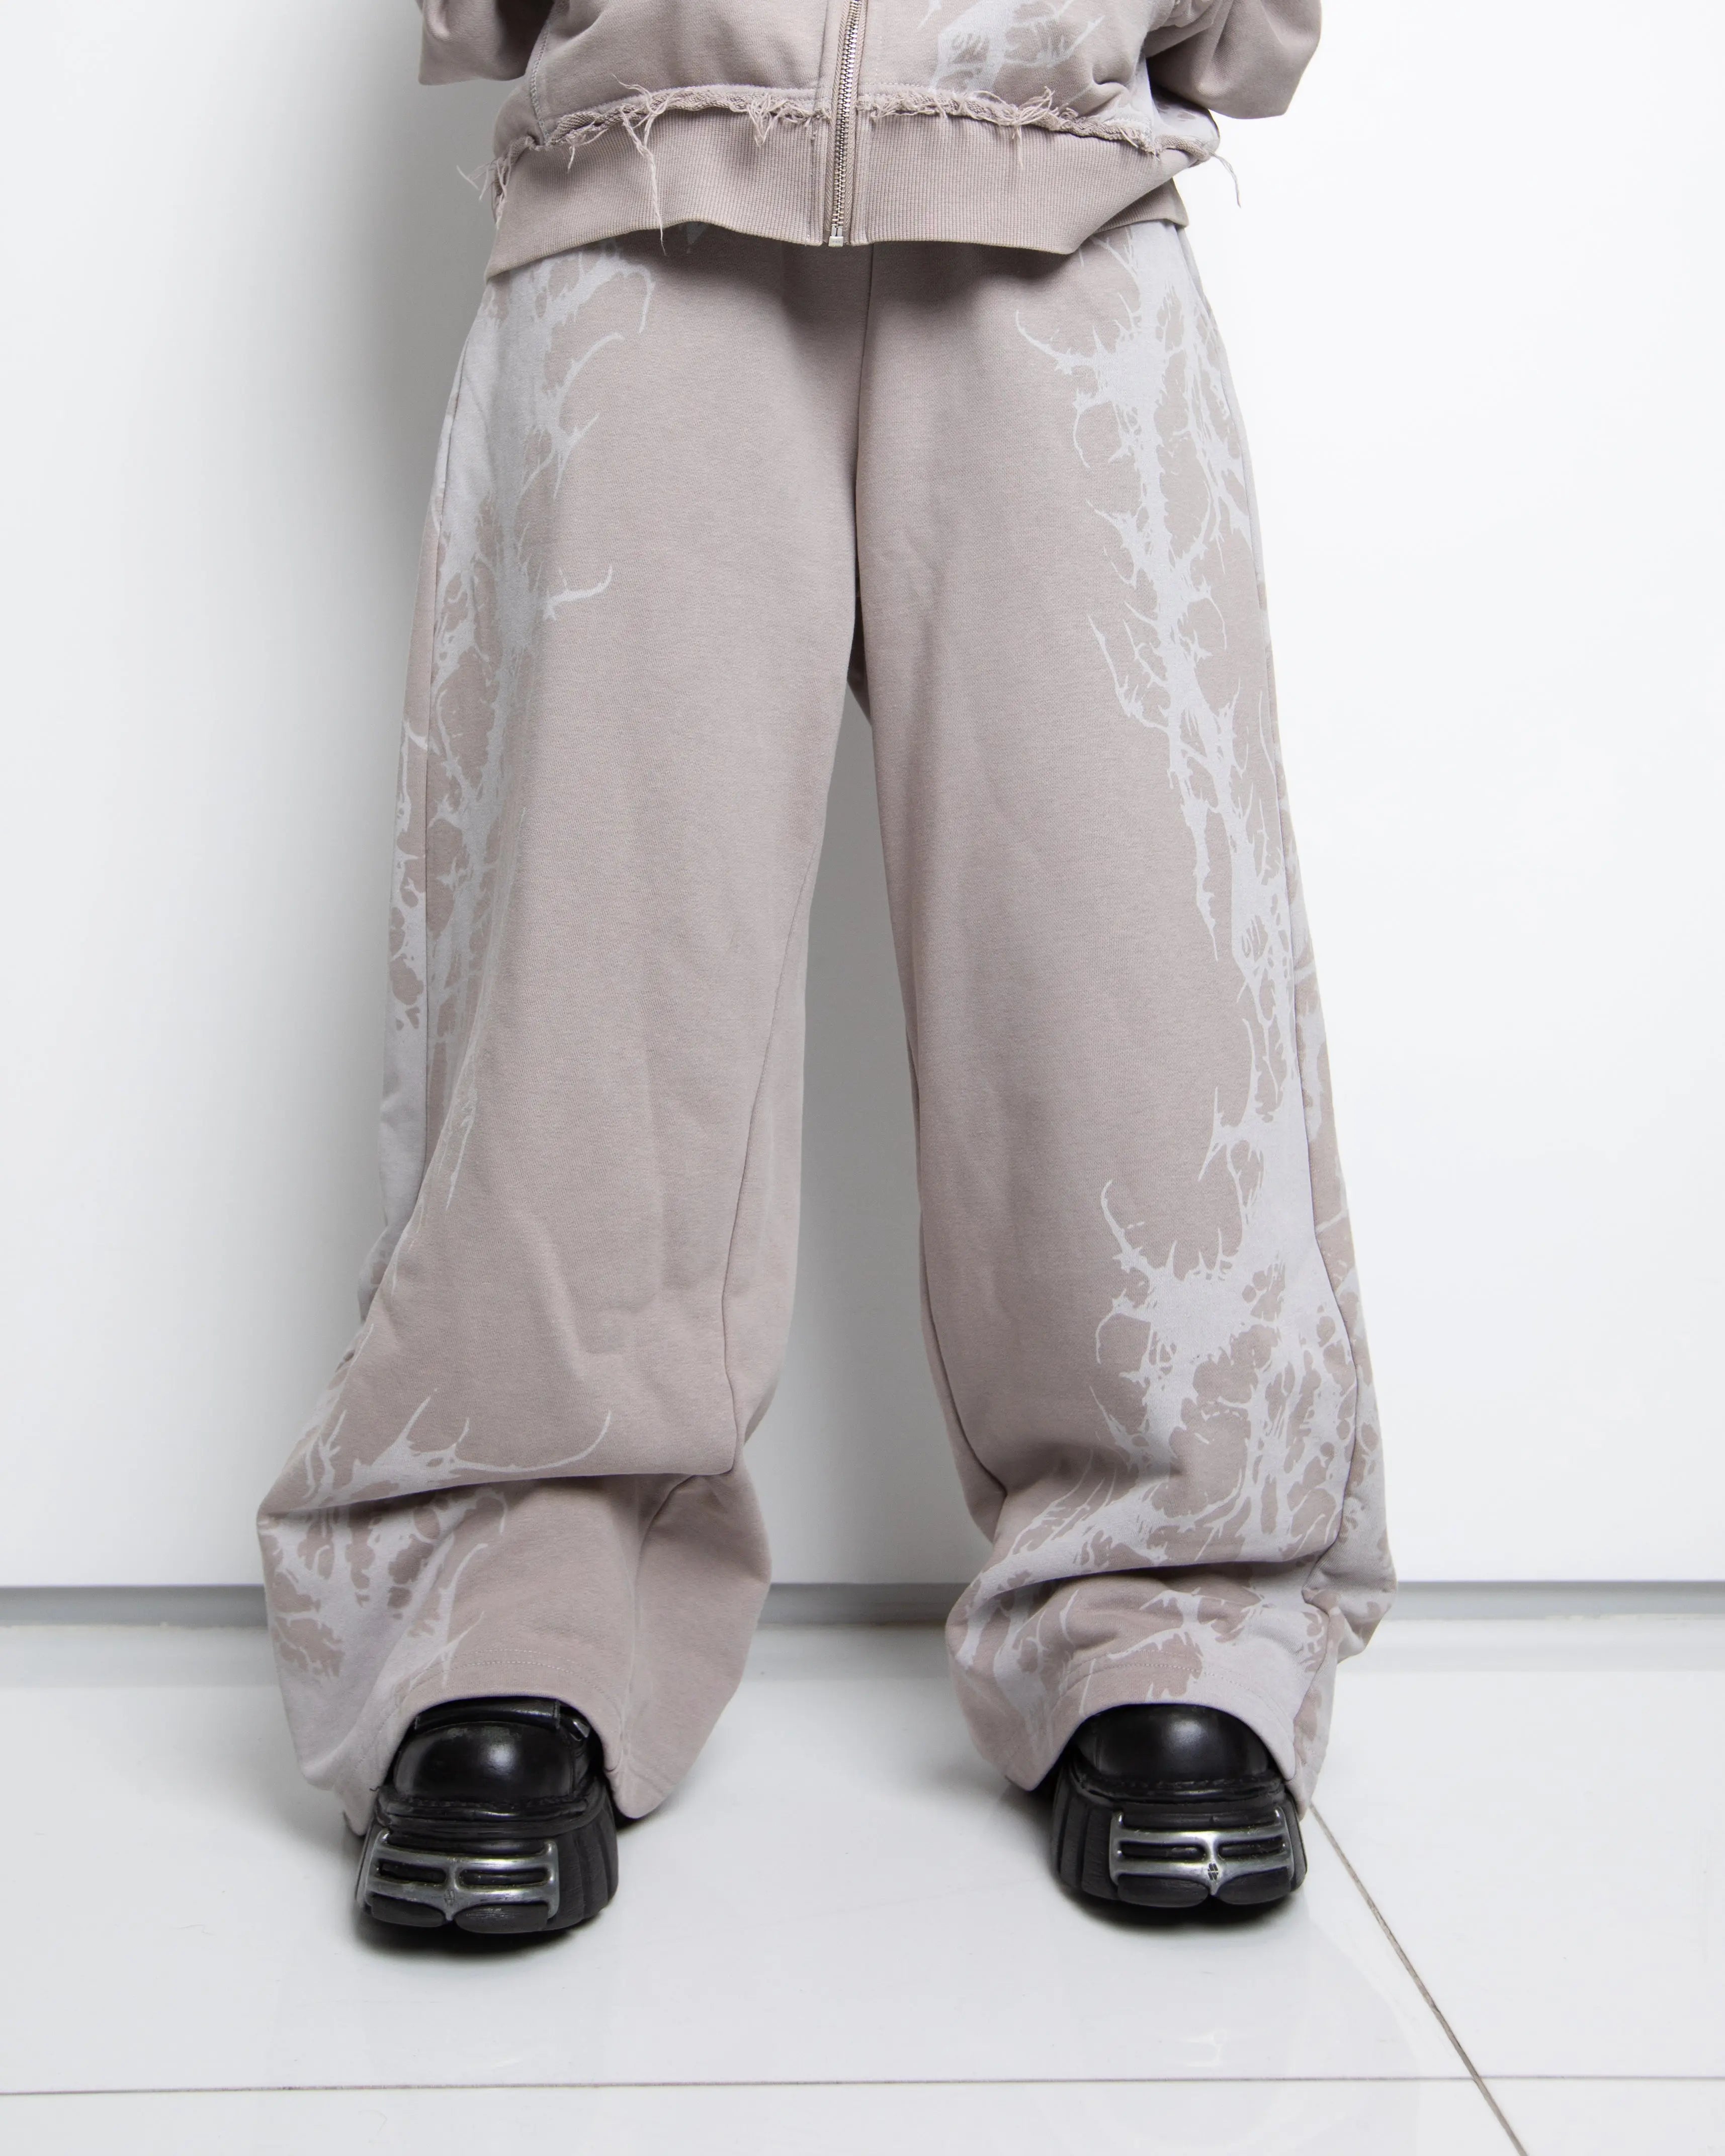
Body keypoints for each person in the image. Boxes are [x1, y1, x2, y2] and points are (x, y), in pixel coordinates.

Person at [259, 0, 1394, 1938]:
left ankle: (1172, 1612)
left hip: (1063, 192)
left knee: (1131, 969)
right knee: (582, 986)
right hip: (644, 184)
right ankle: (508, 1601)